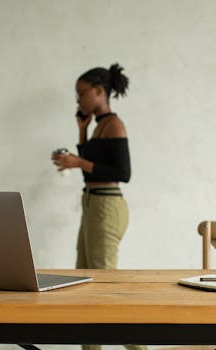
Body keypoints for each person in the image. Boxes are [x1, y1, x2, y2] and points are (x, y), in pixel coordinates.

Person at [52, 63, 147, 350]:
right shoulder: (98, 127)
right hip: (93, 203)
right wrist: (81, 132)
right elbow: (90, 172)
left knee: (106, 286)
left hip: (107, 206)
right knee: (84, 280)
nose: (79, 100)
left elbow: (123, 173)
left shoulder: (114, 124)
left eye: (81, 94)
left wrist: (77, 161)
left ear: (98, 91)